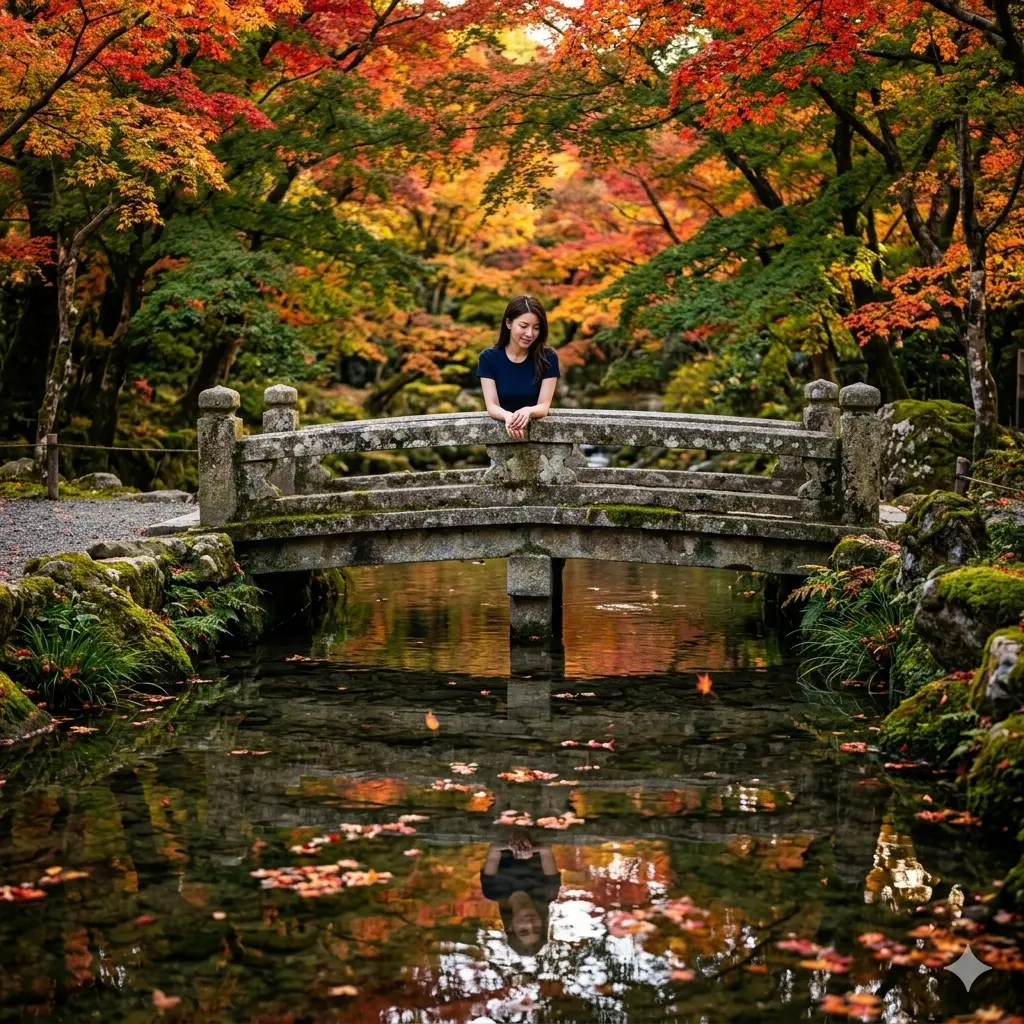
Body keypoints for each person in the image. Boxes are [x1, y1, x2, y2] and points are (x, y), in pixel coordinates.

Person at [477, 295, 560, 441]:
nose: (529, 334)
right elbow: (492, 406)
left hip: (541, 440)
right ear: (508, 323)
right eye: (523, 326)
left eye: (536, 328)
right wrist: (507, 416)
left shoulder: (548, 357)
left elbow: (543, 406)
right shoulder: (488, 358)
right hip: (503, 438)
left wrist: (528, 411)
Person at [481, 834, 561, 956]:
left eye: (523, 931)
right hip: (537, 834)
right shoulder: (549, 893)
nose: (530, 923)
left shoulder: (492, 891)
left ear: (511, 928)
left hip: (502, 834)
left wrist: (512, 846)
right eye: (537, 928)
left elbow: (493, 849)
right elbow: (546, 850)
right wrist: (528, 850)